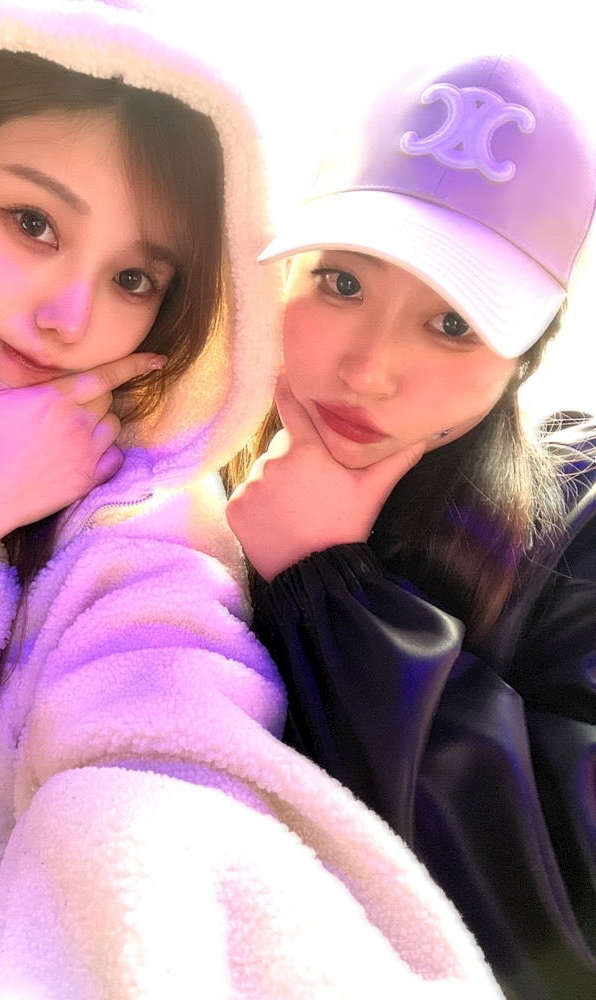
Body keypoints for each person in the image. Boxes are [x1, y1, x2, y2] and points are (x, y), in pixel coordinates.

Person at [0, 2, 506, 997]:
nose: (70, 316)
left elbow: (166, 756)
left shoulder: (138, 519)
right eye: (32, 224)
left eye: (134, 277)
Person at [226, 52, 596, 1000]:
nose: (369, 371)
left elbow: (564, 931)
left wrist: (335, 592)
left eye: (454, 324)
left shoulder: (579, 523)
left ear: (524, 356)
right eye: (342, 283)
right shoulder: (164, 468)